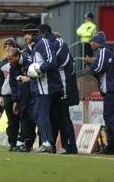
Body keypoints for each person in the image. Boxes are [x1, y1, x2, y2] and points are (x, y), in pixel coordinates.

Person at [27, 23, 61, 153]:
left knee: (42, 115)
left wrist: (39, 70)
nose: (25, 39)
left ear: (32, 34)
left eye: (26, 36)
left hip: (45, 87)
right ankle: (47, 142)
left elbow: (51, 61)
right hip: (38, 87)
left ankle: (47, 143)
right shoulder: (35, 46)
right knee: (39, 115)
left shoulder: (43, 43)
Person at [38, 24, 72, 154]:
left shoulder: (59, 43)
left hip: (61, 84)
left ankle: (66, 145)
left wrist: (44, 67)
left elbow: (58, 62)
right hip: (49, 85)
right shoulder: (44, 44)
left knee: (62, 116)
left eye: (41, 34)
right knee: (51, 116)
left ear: (46, 32)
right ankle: (50, 145)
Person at [83, 31, 114, 154]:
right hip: (111, 88)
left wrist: (90, 63)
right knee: (110, 117)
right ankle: (111, 148)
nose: (90, 44)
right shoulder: (109, 51)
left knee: (108, 116)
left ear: (97, 42)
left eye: (92, 42)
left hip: (110, 89)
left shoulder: (103, 51)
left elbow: (98, 68)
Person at [8, 48, 36, 152]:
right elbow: (13, 84)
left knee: (34, 120)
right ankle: (27, 144)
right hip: (22, 98)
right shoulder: (12, 67)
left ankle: (44, 143)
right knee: (25, 120)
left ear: (17, 57)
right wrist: (15, 100)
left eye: (11, 59)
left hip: (33, 96)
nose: (9, 62)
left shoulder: (29, 62)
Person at [0, 38, 20, 151]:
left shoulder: (19, 60)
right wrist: (0, 95)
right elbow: (0, 81)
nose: (7, 48)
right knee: (11, 119)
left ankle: (23, 141)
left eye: (10, 46)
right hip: (7, 93)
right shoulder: (3, 63)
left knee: (20, 118)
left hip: (19, 92)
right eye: (6, 47)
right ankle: (13, 143)